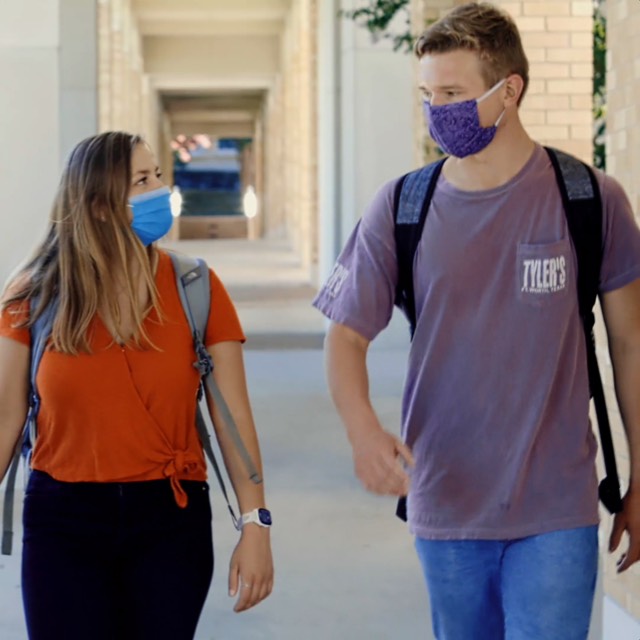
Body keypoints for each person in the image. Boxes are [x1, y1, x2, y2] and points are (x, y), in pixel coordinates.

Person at [313, 3, 640, 639]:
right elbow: (345, 335)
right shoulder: (402, 206)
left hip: (557, 508)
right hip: (447, 504)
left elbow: (630, 345)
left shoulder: (590, 199)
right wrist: (363, 433)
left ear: (509, 90)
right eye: (428, 95)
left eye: (454, 94)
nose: (438, 112)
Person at [0, 131, 274, 640]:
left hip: (170, 520)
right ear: (100, 205)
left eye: (159, 176)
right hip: (62, 519)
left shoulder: (196, 287)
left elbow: (232, 419)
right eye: (143, 180)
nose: (160, 190)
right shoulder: (33, 295)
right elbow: (5, 418)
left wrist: (256, 524)